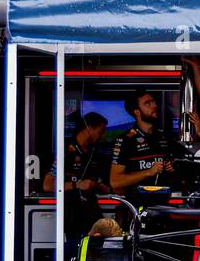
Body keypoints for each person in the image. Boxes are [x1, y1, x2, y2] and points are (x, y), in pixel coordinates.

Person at [43, 111, 110, 240]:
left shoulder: (94, 153)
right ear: (89, 128)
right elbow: (48, 185)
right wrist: (77, 185)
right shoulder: (65, 150)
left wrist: (101, 187)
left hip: (90, 209)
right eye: (100, 132)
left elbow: (98, 182)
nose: (102, 136)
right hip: (71, 212)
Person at [109, 90, 177, 194]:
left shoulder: (164, 136)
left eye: (153, 102)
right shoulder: (125, 140)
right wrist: (148, 172)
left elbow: (174, 176)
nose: (154, 105)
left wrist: (171, 168)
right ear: (137, 112)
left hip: (163, 202)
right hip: (137, 204)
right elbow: (115, 182)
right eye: (148, 103)